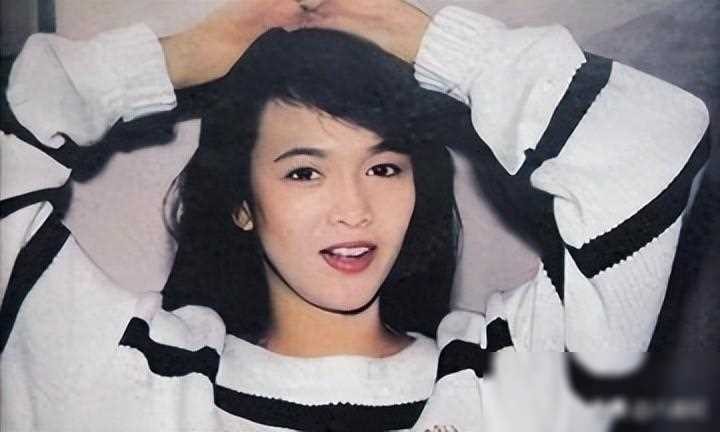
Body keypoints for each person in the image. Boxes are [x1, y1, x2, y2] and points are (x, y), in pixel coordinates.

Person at [0, 0, 710, 431]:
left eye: (384, 168)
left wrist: (441, 47)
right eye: (304, 171)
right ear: (242, 205)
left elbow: (655, 144)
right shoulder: (139, 378)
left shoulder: (505, 377)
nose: (354, 209)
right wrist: (173, 59)